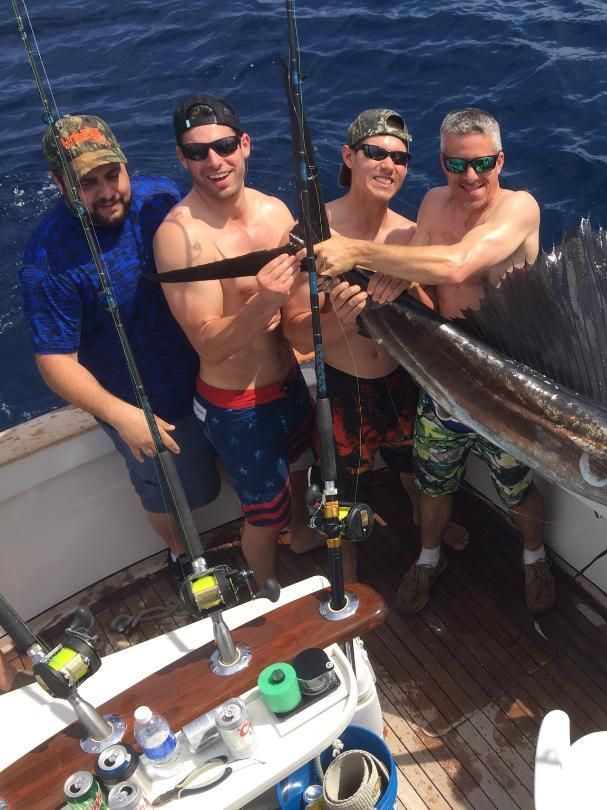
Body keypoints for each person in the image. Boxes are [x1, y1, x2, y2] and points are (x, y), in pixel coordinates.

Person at [311, 107, 555, 616]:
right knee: (432, 482)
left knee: (516, 490)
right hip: (442, 381)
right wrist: (356, 285)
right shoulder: (431, 203)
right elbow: (410, 275)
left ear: (499, 161)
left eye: (482, 163)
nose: (470, 176)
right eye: (456, 165)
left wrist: (354, 252)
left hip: (503, 388)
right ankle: (428, 557)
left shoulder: (519, 209)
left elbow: (458, 263)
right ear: (442, 163)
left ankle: (534, 557)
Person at [20, 115, 220, 560]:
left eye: (113, 174)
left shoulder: (161, 198)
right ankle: (181, 555)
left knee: (228, 469)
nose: (108, 191)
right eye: (87, 183)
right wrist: (123, 416)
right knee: (177, 496)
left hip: (211, 373)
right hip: (146, 408)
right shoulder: (47, 262)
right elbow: (54, 361)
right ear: (59, 183)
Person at [153, 94, 331, 586]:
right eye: (197, 152)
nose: (214, 161)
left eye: (224, 146)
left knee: (301, 469)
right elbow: (209, 343)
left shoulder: (275, 212)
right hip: (238, 405)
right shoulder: (180, 237)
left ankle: (302, 536)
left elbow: (299, 311)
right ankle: (265, 592)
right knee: (264, 515)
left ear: (245, 144)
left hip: (289, 382)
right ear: (182, 158)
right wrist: (263, 302)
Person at [283, 108, 468, 550]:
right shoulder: (310, 233)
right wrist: (336, 318)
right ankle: (347, 575)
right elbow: (295, 334)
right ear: (349, 157)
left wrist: (410, 285)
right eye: (376, 153)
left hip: (405, 381)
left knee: (416, 477)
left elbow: (435, 321)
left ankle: (428, 531)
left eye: (399, 158)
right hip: (345, 391)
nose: (389, 165)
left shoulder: (410, 236)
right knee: (343, 505)